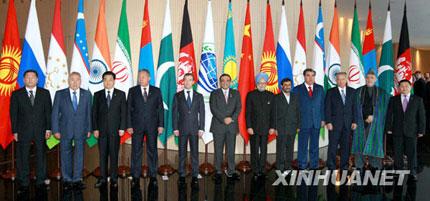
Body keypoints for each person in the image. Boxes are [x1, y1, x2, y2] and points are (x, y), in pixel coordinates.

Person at [10, 70, 52, 193]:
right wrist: (15, 131)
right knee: (23, 157)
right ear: (24, 80)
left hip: (41, 130)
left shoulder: (45, 93)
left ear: (37, 79)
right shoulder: (16, 94)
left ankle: (41, 180)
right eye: (27, 77)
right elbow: (14, 114)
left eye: (33, 77)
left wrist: (48, 128)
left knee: (41, 156)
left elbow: (48, 112)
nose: (30, 79)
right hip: (23, 131)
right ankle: (24, 182)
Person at [51, 72, 92, 190]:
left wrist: (89, 128)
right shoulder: (60, 94)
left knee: (79, 154)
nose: (75, 82)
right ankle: (67, 179)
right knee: (65, 154)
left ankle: (77, 179)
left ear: (80, 81)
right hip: (64, 130)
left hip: (81, 129)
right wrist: (55, 130)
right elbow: (54, 114)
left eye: (77, 80)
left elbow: (89, 113)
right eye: (72, 80)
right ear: (68, 81)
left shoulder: (87, 94)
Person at [127, 69, 164, 188]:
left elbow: (160, 109)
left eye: (143, 76)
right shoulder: (132, 91)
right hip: (136, 126)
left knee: (152, 151)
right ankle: (135, 176)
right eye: (139, 77)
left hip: (152, 126)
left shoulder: (156, 91)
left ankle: (153, 176)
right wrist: (129, 125)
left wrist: (161, 125)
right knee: (136, 151)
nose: (140, 78)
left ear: (149, 78)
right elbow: (128, 110)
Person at [386, 79, 426, 182]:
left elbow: (421, 116)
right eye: (402, 86)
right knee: (397, 152)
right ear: (399, 88)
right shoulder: (393, 99)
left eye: (406, 86)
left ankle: (412, 171)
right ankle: (398, 171)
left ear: (410, 87)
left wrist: (421, 130)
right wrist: (388, 128)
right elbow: (389, 115)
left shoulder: (418, 99)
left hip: (412, 131)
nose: (404, 88)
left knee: (412, 152)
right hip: (397, 130)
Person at [92, 71, 127, 188]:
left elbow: (123, 113)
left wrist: (122, 127)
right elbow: (94, 113)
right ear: (103, 81)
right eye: (105, 79)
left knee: (113, 155)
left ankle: (113, 179)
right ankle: (102, 178)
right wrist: (95, 128)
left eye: (110, 79)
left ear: (114, 81)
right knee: (102, 156)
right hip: (101, 131)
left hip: (115, 131)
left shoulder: (121, 94)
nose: (107, 82)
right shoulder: (97, 95)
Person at [351, 71, 390, 171]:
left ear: (375, 79)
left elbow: (386, 109)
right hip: (360, 122)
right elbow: (353, 107)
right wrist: (363, 117)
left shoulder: (382, 93)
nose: (369, 79)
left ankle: (375, 164)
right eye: (368, 77)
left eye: (372, 77)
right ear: (365, 78)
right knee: (359, 143)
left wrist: (374, 116)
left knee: (375, 143)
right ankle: (359, 164)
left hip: (375, 123)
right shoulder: (358, 91)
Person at [172, 73, 205, 187]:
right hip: (182, 129)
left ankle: (195, 174)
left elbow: (202, 113)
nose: (187, 82)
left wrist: (202, 128)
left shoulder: (198, 96)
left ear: (193, 82)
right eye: (185, 80)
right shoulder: (177, 96)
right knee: (182, 153)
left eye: (190, 80)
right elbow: (174, 113)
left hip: (195, 129)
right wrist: (175, 127)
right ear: (183, 81)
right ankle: (181, 174)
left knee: (194, 153)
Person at [210, 74, 241, 183]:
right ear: (220, 82)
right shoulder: (214, 93)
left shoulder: (236, 93)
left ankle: (231, 171)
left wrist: (231, 118)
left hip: (231, 126)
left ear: (230, 82)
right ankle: (218, 171)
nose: (225, 82)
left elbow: (238, 108)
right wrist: (224, 119)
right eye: (223, 80)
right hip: (218, 125)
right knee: (218, 150)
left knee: (231, 150)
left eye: (227, 80)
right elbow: (213, 108)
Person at [324, 72, 357, 170]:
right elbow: (327, 108)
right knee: (332, 147)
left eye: (342, 79)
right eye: (338, 79)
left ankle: (344, 166)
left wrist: (355, 121)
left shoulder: (352, 91)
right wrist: (328, 122)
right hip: (334, 124)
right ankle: (331, 166)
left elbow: (355, 108)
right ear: (336, 80)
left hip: (348, 124)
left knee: (346, 147)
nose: (340, 81)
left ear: (346, 79)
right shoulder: (330, 92)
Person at [294, 69, 325, 170]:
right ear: (304, 76)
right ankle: (302, 164)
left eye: (312, 75)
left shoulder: (320, 89)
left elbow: (322, 105)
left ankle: (314, 164)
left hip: (316, 122)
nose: (310, 78)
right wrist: (297, 123)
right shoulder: (297, 89)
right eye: (308, 75)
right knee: (302, 145)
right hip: (303, 122)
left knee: (314, 145)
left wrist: (323, 119)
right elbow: (295, 108)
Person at [245, 73, 275, 180]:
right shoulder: (251, 95)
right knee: (254, 149)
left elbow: (273, 113)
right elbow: (247, 112)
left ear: (266, 83)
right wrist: (249, 126)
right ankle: (255, 169)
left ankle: (262, 169)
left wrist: (272, 127)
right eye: (259, 83)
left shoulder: (271, 95)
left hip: (266, 128)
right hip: (254, 128)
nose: (261, 85)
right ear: (256, 83)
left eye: (263, 83)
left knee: (263, 149)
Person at [273, 78, 300, 172]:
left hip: (292, 127)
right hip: (281, 127)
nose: (288, 87)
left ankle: (288, 166)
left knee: (290, 147)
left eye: (289, 85)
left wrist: (298, 126)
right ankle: (280, 167)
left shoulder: (295, 97)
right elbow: (274, 114)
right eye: (286, 85)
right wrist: (275, 127)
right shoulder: (276, 97)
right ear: (281, 86)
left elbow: (298, 112)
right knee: (280, 148)